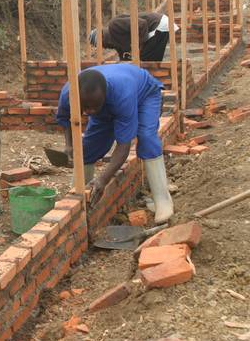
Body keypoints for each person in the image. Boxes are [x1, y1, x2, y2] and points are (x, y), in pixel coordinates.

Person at [56, 64, 174, 223]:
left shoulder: (122, 95)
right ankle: (78, 199)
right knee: (88, 149)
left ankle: (163, 200)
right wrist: (69, 145)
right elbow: (65, 119)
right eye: (86, 107)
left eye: (94, 107)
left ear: (105, 96)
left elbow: (123, 146)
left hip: (145, 94)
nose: (90, 112)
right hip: (109, 103)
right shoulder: (69, 94)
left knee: (146, 137)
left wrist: (103, 179)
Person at [89, 12, 177, 62]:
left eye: (102, 44)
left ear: (102, 37)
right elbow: (124, 56)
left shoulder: (114, 25)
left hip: (158, 25)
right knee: (147, 62)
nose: (105, 47)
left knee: (146, 62)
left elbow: (142, 24)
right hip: (156, 29)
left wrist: (138, 48)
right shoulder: (115, 42)